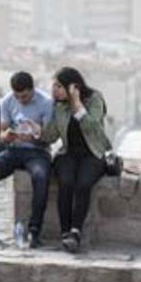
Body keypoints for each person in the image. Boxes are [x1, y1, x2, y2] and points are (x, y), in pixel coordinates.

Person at [0, 71, 54, 249]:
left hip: (37, 151)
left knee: (41, 177)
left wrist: (33, 136)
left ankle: (34, 230)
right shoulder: (7, 101)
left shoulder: (46, 103)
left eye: (24, 96)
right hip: (14, 150)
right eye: (17, 96)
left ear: (32, 90)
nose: (21, 100)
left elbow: (50, 137)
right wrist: (7, 135)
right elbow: (2, 133)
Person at [44, 66, 111, 252]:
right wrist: (34, 131)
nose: (54, 91)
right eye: (53, 86)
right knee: (65, 182)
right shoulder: (58, 106)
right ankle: (65, 232)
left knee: (83, 184)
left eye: (58, 86)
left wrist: (77, 104)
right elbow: (51, 136)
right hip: (68, 153)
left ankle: (76, 231)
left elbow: (92, 127)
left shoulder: (95, 99)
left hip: (93, 153)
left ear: (72, 87)